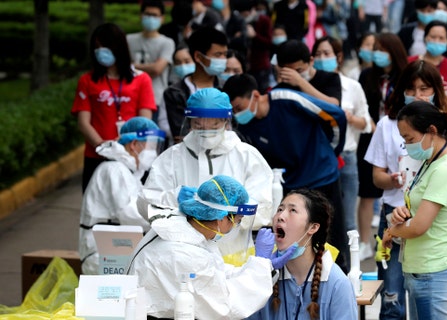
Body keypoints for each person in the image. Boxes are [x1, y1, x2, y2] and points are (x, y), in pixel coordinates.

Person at [223, 73, 351, 273]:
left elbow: (336, 115)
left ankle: (341, 280)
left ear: (256, 96)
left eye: (239, 108)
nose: (238, 114)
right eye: (234, 111)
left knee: (333, 239)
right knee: (298, 243)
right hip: (290, 186)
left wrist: (332, 150)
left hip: (323, 175)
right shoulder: (245, 127)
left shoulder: (286, 99)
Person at [128, 175, 296, 319]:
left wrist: (263, 267)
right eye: (237, 221)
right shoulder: (183, 252)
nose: (235, 226)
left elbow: (215, 274)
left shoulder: (185, 229)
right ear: (221, 219)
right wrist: (259, 263)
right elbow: (225, 306)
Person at [365, 59, 447, 319]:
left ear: (436, 90)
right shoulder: (386, 125)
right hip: (393, 213)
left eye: (425, 89)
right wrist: (391, 180)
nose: (418, 95)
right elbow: (376, 177)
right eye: (411, 89)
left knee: (423, 290)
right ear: (400, 90)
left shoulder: (446, 126)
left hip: (428, 214)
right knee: (391, 294)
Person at [140, 88, 274, 229]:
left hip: (231, 248)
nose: (206, 131)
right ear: (190, 123)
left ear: (225, 122)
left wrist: (228, 214)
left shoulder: (247, 156)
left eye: (214, 125)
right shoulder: (172, 157)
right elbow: (146, 204)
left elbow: (263, 208)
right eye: (199, 125)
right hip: (183, 246)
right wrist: (173, 198)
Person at [382, 101, 447, 320]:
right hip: (422, 272)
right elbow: (419, 211)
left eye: (409, 139)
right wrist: (403, 213)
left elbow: (419, 226)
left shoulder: (446, 169)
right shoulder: (431, 162)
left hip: (434, 273)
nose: (407, 145)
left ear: (431, 131)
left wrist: (391, 231)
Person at [247, 189, 358, 319]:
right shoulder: (265, 275)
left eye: (292, 210)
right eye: (279, 209)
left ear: (313, 227)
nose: (280, 216)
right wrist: (258, 270)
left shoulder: (337, 284)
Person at [71, 23, 156, 193]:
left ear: (119, 47)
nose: (100, 51)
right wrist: (102, 146)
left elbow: (145, 119)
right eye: (97, 47)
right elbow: (83, 122)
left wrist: (129, 145)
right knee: (96, 210)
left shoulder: (141, 79)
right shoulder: (87, 81)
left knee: (131, 210)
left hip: (132, 156)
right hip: (97, 156)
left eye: (106, 46)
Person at [79, 117, 165, 275]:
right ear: (134, 145)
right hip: (103, 254)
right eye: (151, 146)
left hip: (113, 250)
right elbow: (130, 213)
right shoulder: (115, 170)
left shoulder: (127, 172)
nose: (154, 152)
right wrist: (167, 217)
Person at [311, 36, 373, 252]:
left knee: (347, 218)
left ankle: (350, 264)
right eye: (317, 54)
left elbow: (366, 123)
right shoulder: (309, 85)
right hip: (317, 158)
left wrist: (347, 118)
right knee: (318, 217)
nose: (321, 58)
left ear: (338, 57)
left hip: (346, 156)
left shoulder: (351, 86)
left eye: (326, 54)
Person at [357, 33, 408, 262]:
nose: (376, 53)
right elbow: (361, 104)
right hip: (371, 135)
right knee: (368, 191)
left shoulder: (404, 77)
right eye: (374, 48)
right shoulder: (367, 75)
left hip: (398, 135)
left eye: (382, 49)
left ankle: (392, 238)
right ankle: (366, 241)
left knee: (396, 186)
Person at [163, 26, 228, 142]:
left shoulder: (227, 88)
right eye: (218, 55)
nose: (223, 59)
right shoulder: (175, 93)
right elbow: (181, 135)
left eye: (225, 54)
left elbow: (235, 130)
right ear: (198, 56)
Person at [127, 0, 175, 117]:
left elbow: (157, 69)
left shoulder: (167, 42)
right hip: (130, 98)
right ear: (141, 15)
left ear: (162, 18)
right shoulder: (128, 40)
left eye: (154, 15)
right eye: (147, 14)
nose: (150, 18)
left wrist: (132, 65)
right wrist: (149, 67)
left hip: (156, 99)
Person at [275, 39, 341, 106]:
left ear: (311, 61)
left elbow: (334, 105)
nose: (294, 75)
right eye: (290, 71)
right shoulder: (281, 89)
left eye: (299, 70)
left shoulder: (330, 78)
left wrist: (300, 82)